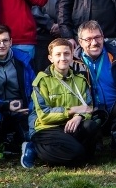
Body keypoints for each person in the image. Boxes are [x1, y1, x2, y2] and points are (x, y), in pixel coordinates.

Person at [71, 20, 116, 146]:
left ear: (103, 37)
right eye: (88, 39)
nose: (94, 43)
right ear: (80, 42)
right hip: (88, 111)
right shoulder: (72, 63)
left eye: (97, 37)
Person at [30, 38, 100, 167]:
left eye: (66, 54)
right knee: (76, 153)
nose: (63, 58)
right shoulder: (41, 81)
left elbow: (88, 108)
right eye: (58, 54)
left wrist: (79, 116)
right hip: (47, 128)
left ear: (72, 55)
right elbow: (44, 115)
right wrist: (72, 111)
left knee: (91, 125)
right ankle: (36, 150)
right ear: (50, 58)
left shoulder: (80, 79)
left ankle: (77, 156)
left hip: (70, 126)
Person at [0, 24, 36, 162]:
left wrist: (31, 107)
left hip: (22, 108)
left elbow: (35, 86)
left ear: (11, 42)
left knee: (29, 137)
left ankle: (16, 142)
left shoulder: (23, 59)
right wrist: (5, 105)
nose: (1, 45)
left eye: (5, 40)